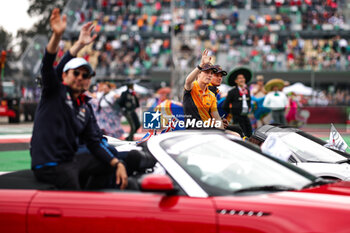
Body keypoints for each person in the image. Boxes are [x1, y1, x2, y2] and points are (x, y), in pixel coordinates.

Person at [30, 8, 128, 190]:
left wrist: (117, 163)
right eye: (76, 73)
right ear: (64, 76)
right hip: (49, 164)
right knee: (71, 183)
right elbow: (48, 65)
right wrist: (60, 37)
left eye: (86, 75)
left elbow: (93, 142)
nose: (80, 78)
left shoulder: (84, 107)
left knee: (109, 160)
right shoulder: (54, 92)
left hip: (70, 161)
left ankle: (98, 202)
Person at [183, 49, 223, 129]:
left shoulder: (211, 95)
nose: (210, 75)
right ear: (198, 74)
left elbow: (217, 117)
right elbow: (187, 81)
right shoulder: (192, 87)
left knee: (235, 135)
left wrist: (223, 132)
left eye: (211, 73)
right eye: (207, 72)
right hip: (194, 130)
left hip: (208, 129)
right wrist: (201, 64)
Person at [222, 67, 253, 137]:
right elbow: (225, 105)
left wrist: (249, 108)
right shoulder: (232, 92)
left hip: (245, 116)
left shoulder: (247, 90)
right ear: (236, 81)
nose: (242, 80)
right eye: (240, 78)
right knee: (241, 133)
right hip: (237, 117)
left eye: (243, 78)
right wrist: (233, 112)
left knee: (249, 132)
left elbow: (249, 101)